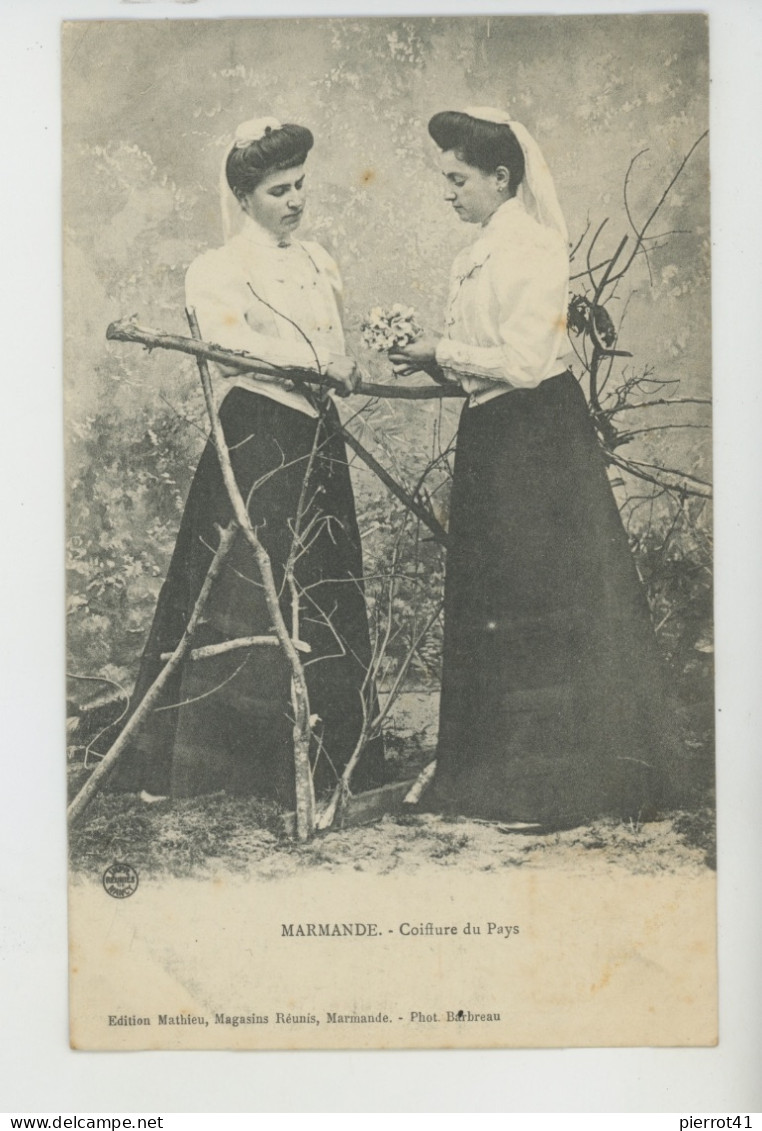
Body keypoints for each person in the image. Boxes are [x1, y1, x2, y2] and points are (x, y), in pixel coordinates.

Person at [390, 107, 677, 828]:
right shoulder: (473, 254)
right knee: (495, 598)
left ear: (501, 177)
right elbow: (474, 367)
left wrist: (442, 353)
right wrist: (433, 353)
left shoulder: (537, 248)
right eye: (444, 179)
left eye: (457, 180)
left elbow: (521, 364)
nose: (447, 193)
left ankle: (562, 783)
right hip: (490, 438)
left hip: (539, 442)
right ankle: (496, 775)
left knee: (542, 596)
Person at [113, 117, 383, 806]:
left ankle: (324, 750)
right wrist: (324, 367)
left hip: (314, 437)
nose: (293, 202)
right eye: (276, 191)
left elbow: (332, 341)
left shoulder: (319, 260)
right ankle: (227, 763)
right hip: (258, 436)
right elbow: (237, 351)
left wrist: (339, 364)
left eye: (299, 187)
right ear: (243, 196)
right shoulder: (218, 268)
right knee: (244, 587)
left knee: (318, 581)